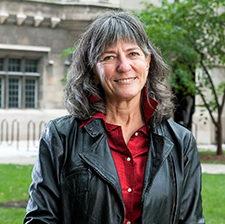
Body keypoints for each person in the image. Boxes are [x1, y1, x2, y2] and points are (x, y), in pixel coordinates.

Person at [24, 11, 205, 224]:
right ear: (93, 71)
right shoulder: (60, 136)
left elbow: (191, 221)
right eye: (109, 57)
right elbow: (40, 219)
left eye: (133, 54)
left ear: (147, 62)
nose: (124, 66)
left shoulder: (181, 142)